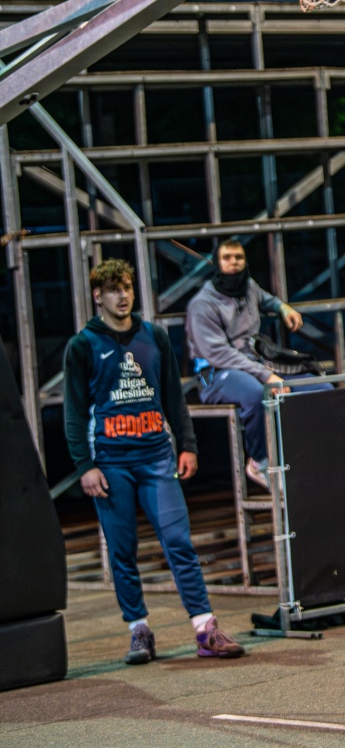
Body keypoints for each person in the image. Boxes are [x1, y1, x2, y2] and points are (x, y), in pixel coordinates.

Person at [63, 259, 245, 663]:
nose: (123, 295)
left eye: (127, 287)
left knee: (179, 542)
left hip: (156, 457)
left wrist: (188, 445)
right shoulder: (83, 345)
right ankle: (139, 630)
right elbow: (74, 412)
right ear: (98, 296)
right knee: (122, 550)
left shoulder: (154, 336)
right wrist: (84, 466)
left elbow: (173, 397)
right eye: (114, 289)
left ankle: (205, 629)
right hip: (112, 463)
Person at [185, 238, 305, 490]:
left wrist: (283, 307)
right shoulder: (202, 304)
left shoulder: (249, 287)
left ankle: (308, 457)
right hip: (216, 373)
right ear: (218, 263)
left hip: (254, 364)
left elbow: (266, 299)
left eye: (238, 257)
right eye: (227, 258)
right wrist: (265, 375)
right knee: (256, 394)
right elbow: (220, 354)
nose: (234, 263)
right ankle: (260, 462)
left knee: (316, 386)